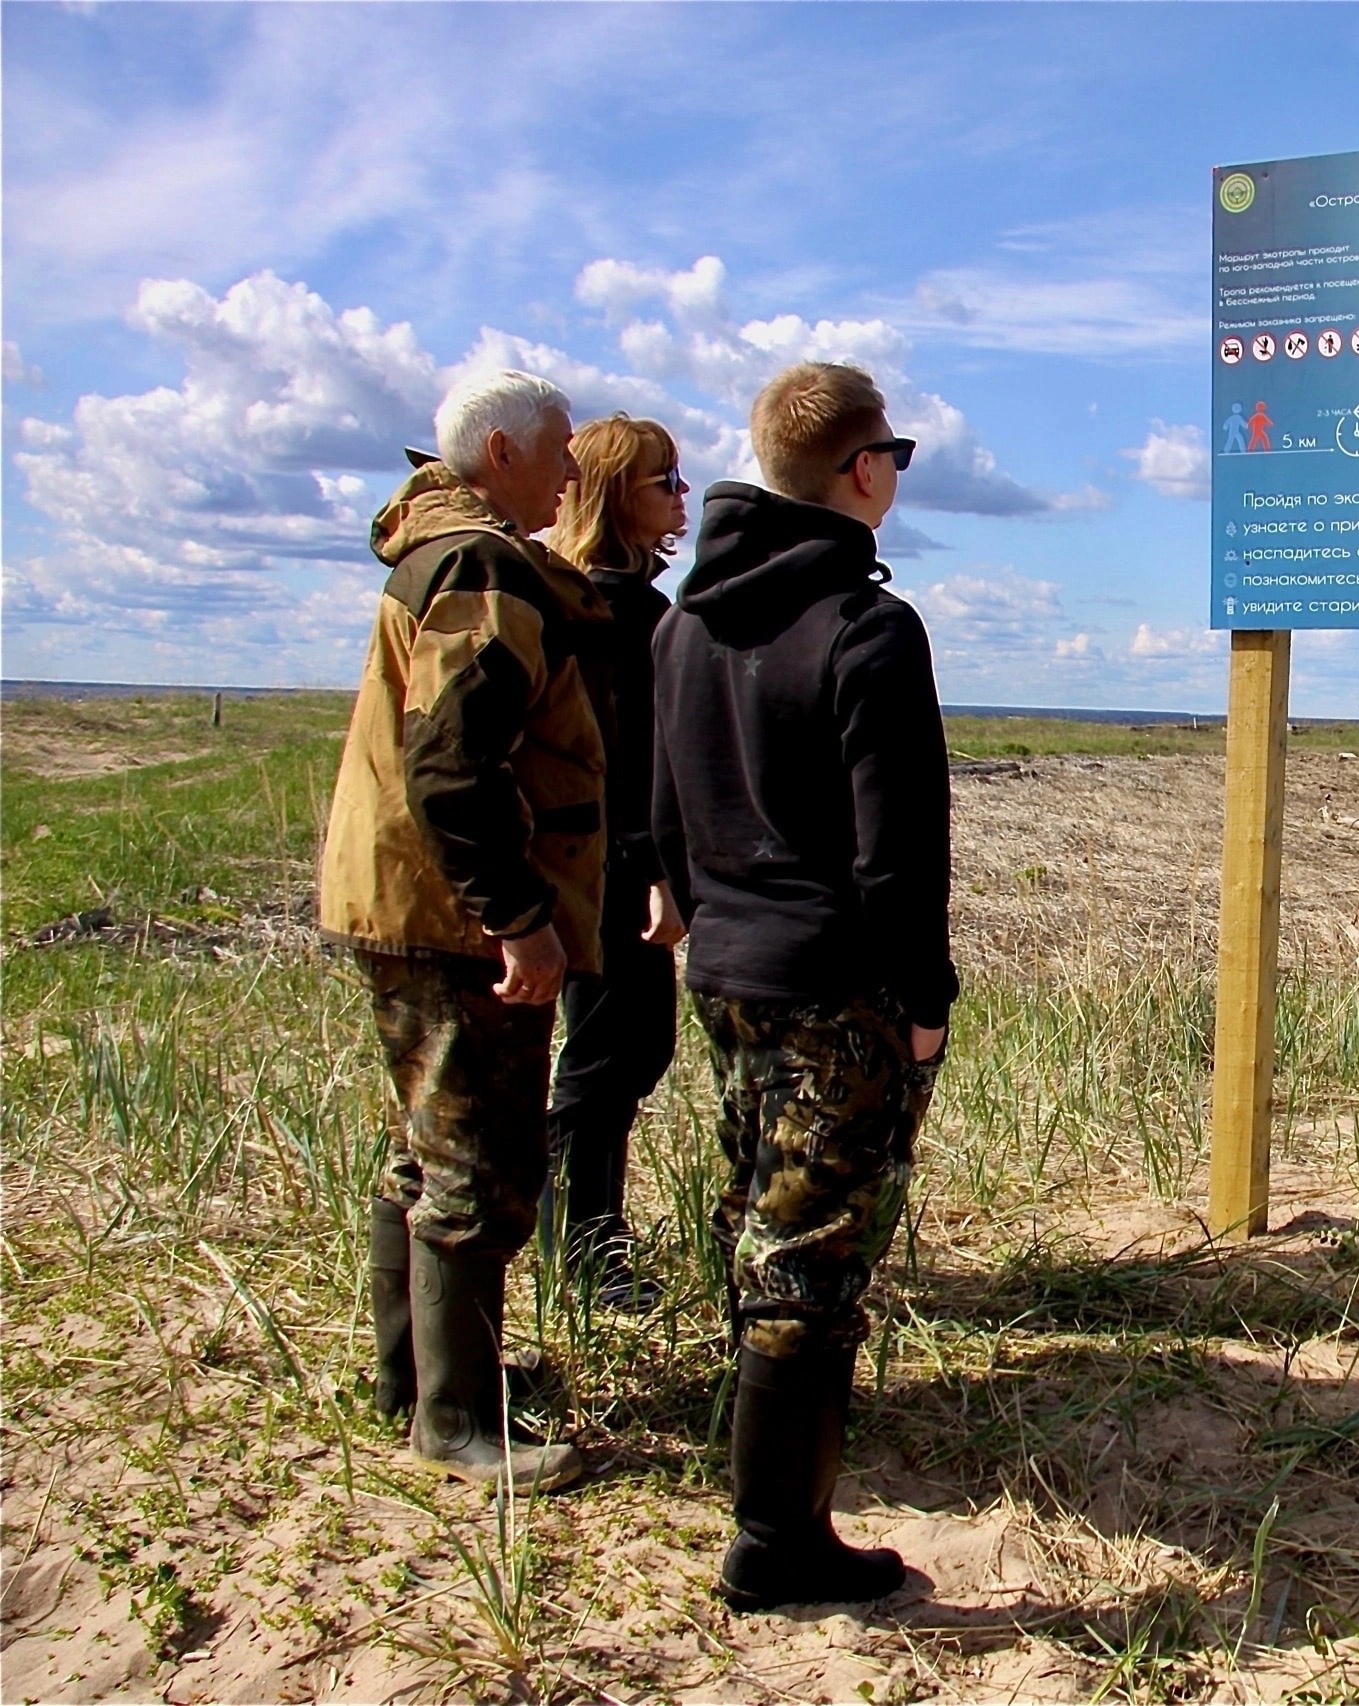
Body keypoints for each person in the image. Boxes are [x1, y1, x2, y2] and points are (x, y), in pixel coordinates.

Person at [651, 361, 954, 1608]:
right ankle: (777, 1540)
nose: (896, 472)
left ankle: (768, 1481)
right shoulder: (868, 626)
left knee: (755, 1226)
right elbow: (900, 852)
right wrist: (922, 1001)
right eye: (897, 452)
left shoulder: (685, 618)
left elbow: (664, 804)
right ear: (860, 469)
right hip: (839, 987)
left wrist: (696, 909)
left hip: (726, 971)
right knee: (811, 1259)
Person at [319, 369, 612, 1492]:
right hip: (451, 915)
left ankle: (425, 1376)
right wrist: (519, 917)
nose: (573, 469)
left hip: (415, 899)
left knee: (427, 1146)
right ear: (502, 451)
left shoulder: (440, 551)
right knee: (477, 1162)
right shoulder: (482, 567)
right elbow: (453, 764)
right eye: (560, 448)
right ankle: (457, 1420)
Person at [541, 414, 692, 1310]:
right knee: (609, 1054)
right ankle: (586, 1253)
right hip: (609, 870)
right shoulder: (612, 610)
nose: (680, 496)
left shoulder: (614, 600)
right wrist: (654, 871)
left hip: (603, 864)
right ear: (610, 496)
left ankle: (590, 1237)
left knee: (628, 1048)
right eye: (661, 482)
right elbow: (628, 759)